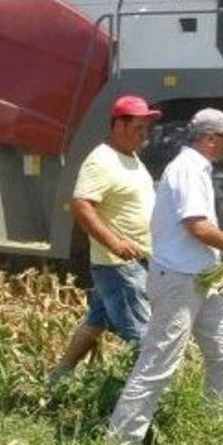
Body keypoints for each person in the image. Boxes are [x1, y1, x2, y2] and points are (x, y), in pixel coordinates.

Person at [108, 108, 223, 445]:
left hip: (200, 278)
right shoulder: (188, 168)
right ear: (210, 138)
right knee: (159, 362)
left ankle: (213, 430)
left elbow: (198, 226)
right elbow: (196, 226)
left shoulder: (195, 168)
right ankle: (121, 443)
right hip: (179, 280)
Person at [49, 95, 161, 382]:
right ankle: (140, 401)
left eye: (146, 128)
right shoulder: (101, 160)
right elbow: (81, 206)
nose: (144, 134)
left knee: (94, 323)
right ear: (119, 126)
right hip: (119, 266)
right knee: (145, 340)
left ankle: (57, 380)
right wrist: (115, 243)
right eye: (138, 128)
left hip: (135, 261)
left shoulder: (131, 157)